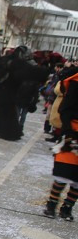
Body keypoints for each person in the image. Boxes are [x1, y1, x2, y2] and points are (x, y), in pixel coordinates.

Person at [0, 46, 48, 141]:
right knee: (9, 113)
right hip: (6, 93)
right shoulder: (16, 63)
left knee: (5, 112)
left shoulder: (9, 61)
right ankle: (6, 132)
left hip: (3, 92)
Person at [43, 66, 78, 220]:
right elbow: (66, 109)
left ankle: (67, 207)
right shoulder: (76, 82)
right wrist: (69, 132)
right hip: (73, 130)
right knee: (63, 172)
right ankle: (51, 204)